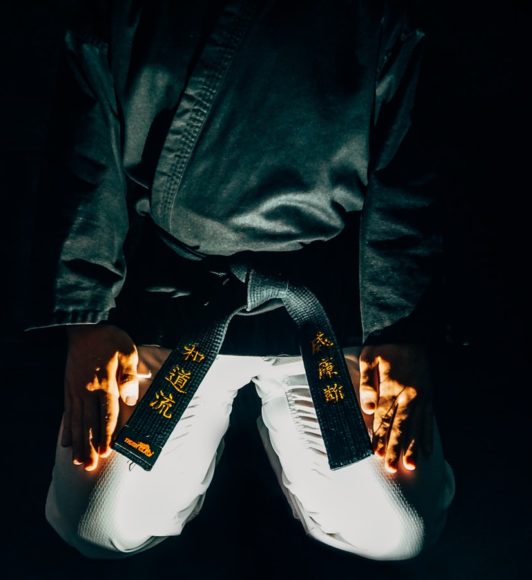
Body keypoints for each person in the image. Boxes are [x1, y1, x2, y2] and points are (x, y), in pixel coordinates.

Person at [29, 0, 455, 561]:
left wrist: (401, 327)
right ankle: (206, 456)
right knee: (99, 519)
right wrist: (89, 320)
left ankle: (281, 420)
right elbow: (85, 164)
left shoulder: (377, 18)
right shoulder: (122, 15)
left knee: (400, 526)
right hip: (177, 303)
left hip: (326, 308)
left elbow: (409, 173)